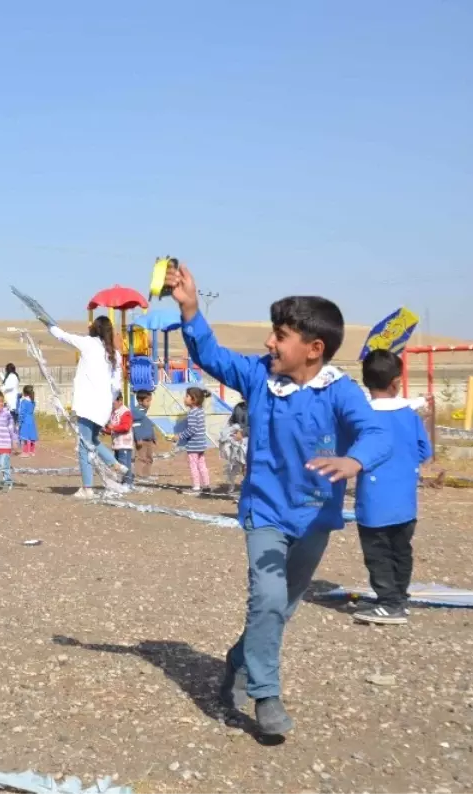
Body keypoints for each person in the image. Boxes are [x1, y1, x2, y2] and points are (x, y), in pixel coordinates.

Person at [166, 262, 389, 737]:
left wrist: (356, 461)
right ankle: (266, 695)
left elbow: (374, 432)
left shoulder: (341, 392)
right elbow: (212, 354)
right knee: (266, 599)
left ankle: (238, 659)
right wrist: (190, 309)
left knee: (282, 607)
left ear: (314, 349)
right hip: (264, 514)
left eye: (280, 335)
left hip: (314, 519)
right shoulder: (258, 378)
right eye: (272, 332)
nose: (269, 342)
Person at [353, 350, 433, 626]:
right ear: (396, 383)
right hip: (406, 501)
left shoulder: (361, 417)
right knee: (401, 550)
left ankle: (389, 603)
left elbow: (351, 454)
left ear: (365, 381)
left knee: (378, 554)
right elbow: (425, 450)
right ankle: (398, 597)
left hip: (374, 501)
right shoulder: (410, 415)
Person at [47, 317, 129, 498]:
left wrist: (48, 324)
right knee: (92, 440)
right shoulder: (114, 354)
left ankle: (87, 488)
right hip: (103, 406)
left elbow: (62, 336)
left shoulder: (88, 343)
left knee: (84, 445)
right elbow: (117, 384)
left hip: (87, 404)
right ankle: (115, 464)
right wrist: (112, 404)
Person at [175, 386, 212, 494]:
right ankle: (206, 485)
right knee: (202, 465)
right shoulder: (200, 411)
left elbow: (192, 429)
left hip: (194, 445)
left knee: (193, 465)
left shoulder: (192, 413)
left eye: (187, 396)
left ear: (194, 399)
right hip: (201, 444)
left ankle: (196, 486)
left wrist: (180, 436)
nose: (184, 398)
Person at [219, 401, 249, 491]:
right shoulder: (238, 407)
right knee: (236, 464)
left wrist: (243, 432)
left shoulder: (258, 406)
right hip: (237, 441)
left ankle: (247, 488)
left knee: (248, 465)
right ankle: (234, 486)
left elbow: (258, 425)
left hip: (251, 440)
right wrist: (231, 430)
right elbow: (232, 421)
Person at [106, 393, 135, 485]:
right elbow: (112, 429)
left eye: (113, 401)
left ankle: (128, 483)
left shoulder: (125, 412)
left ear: (120, 401)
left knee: (124, 465)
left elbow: (126, 427)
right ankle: (123, 482)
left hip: (124, 444)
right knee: (118, 465)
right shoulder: (114, 413)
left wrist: (112, 428)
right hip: (116, 444)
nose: (111, 404)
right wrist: (104, 430)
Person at [132, 390, 157, 480]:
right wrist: (138, 439)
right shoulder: (136, 412)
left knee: (149, 457)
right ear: (140, 401)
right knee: (141, 458)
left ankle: (146, 475)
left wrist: (154, 437)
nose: (149, 403)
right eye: (147, 401)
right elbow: (136, 426)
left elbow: (150, 426)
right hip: (141, 440)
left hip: (149, 439)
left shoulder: (149, 412)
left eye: (150, 400)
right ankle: (139, 475)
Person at [17, 386, 38, 456]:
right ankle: (32, 451)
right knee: (31, 435)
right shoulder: (33, 402)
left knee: (25, 436)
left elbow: (21, 413)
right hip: (31, 419)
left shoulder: (24, 401)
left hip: (25, 420)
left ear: (24, 393)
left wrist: (19, 422)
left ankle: (26, 452)